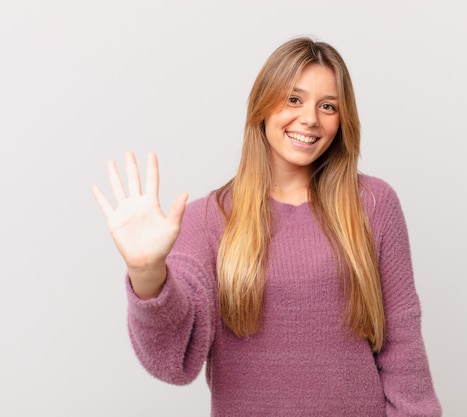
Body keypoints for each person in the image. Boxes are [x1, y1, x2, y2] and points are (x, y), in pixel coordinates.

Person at [92, 37, 442, 416]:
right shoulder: (208, 220)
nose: (310, 118)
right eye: (294, 99)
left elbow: (403, 344)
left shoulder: (373, 204)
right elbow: (173, 360)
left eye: (328, 106)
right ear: (262, 105)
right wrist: (147, 274)